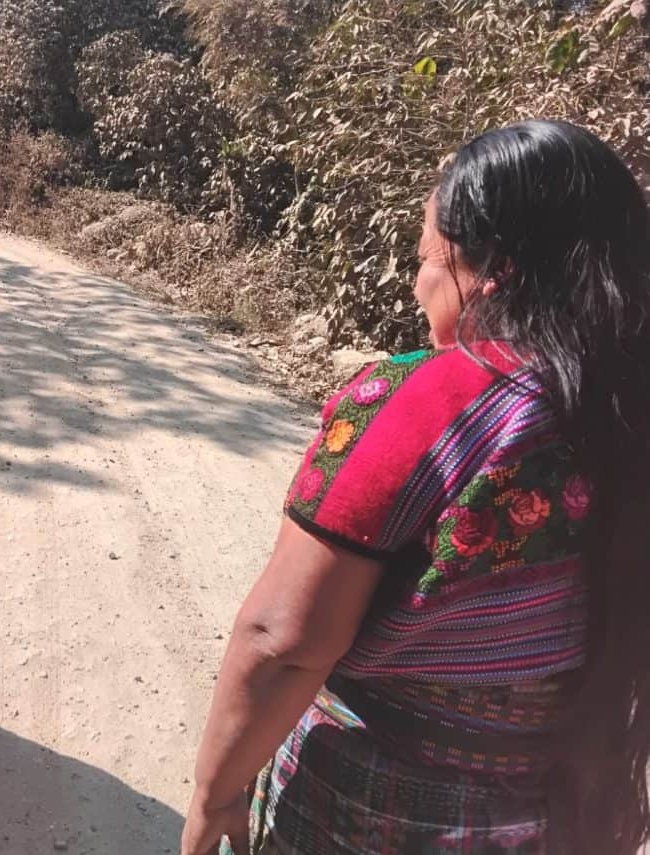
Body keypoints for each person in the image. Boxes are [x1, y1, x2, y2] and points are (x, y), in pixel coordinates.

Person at [182, 120, 650, 855]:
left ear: (492, 270)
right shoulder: (624, 417)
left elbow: (282, 640)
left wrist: (212, 798)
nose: (414, 283)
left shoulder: (421, 400)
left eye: (425, 257)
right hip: (576, 809)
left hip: (375, 810)